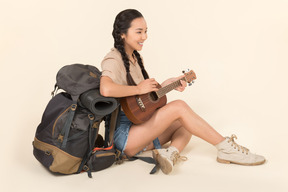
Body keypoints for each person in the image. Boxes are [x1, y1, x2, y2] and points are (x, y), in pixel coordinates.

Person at [100, 9, 265, 174]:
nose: (145, 37)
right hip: (125, 137)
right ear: (122, 34)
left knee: (188, 122)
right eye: (139, 32)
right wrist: (138, 88)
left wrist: (166, 84)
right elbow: (105, 89)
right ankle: (226, 148)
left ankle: (169, 154)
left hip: (141, 128)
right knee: (180, 107)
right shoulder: (114, 59)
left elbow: (140, 101)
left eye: (146, 31)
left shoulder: (136, 58)